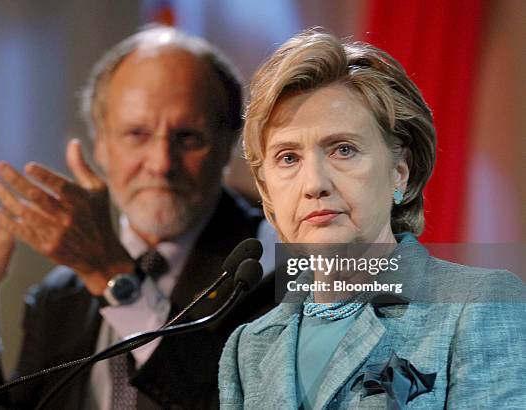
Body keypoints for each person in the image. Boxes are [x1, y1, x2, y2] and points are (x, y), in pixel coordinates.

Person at [0, 26, 276, 409]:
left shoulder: (280, 264)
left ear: (229, 145)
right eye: (136, 134)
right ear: (99, 145)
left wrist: (115, 278)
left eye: (188, 137)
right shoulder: (58, 295)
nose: (161, 164)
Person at [218, 28, 525, 409]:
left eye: (343, 150)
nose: (314, 184)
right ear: (266, 191)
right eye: (288, 158)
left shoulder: (476, 306)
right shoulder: (249, 346)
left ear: (400, 171)